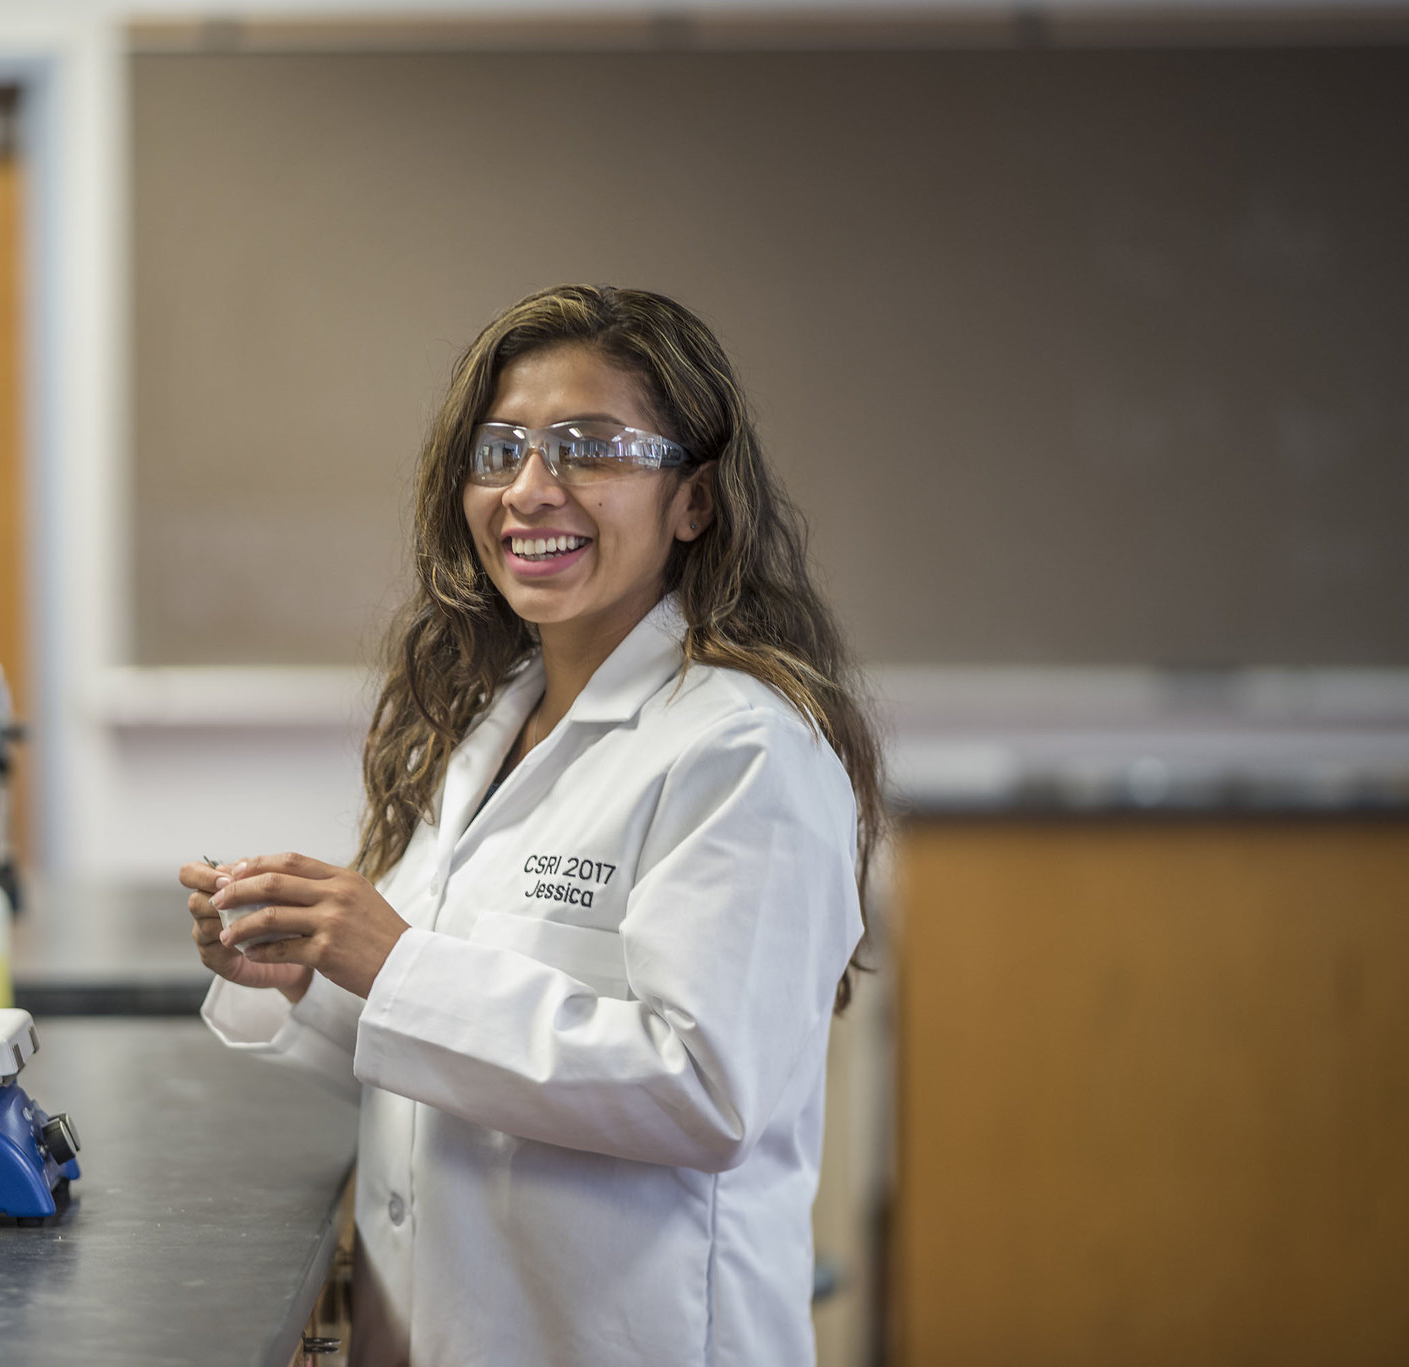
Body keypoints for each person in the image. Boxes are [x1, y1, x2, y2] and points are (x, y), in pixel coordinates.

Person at [180, 284, 883, 1367]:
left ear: (692, 500)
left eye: (587, 448)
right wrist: (305, 966)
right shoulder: (486, 722)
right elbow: (440, 1056)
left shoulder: (745, 751)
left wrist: (396, 959)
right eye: (498, 447)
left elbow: (702, 1087)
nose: (527, 489)